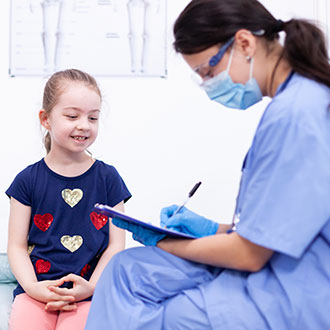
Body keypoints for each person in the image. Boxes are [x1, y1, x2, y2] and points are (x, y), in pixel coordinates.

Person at [86, 0, 330, 329]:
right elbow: (278, 225)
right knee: (125, 270)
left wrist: (168, 242)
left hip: (293, 292)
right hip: (279, 264)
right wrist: (210, 229)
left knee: (165, 312)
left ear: (244, 43)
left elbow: (250, 253)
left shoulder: (296, 114)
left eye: (208, 71)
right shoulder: (297, 102)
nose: (210, 85)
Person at [6, 69, 131, 330]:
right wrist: (33, 288)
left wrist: (91, 288)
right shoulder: (27, 181)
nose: (84, 124)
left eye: (93, 117)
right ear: (46, 119)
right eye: (72, 116)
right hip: (37, 291)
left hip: (89, 291)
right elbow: (16, 246)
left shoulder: (108, 178)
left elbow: (116, 245)